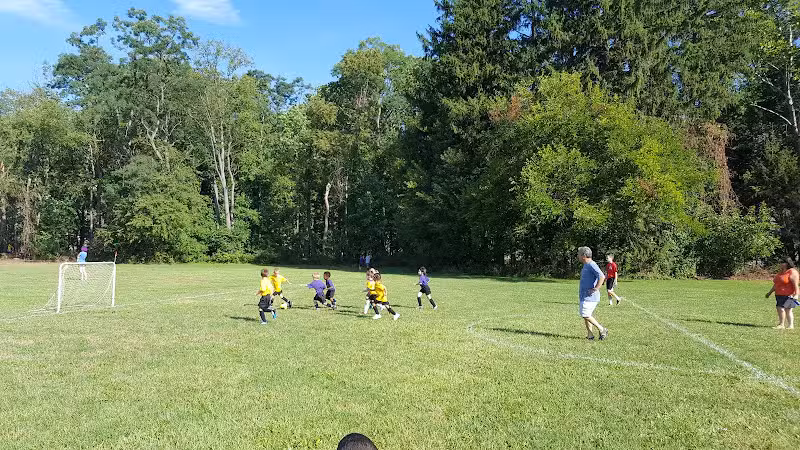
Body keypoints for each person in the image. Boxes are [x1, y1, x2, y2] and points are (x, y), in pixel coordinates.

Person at [578, 246, 609, 340]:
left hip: (590, 296)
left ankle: (602, 329)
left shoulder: (592, 264)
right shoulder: (586, 264)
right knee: (586, 315)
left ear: (584, 255)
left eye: (578, 254)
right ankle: (590, 335)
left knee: (585, 314)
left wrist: (596, 288)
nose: (577, 256)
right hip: (584, 295)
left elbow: (602, 276)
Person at [765, 257, 799, 330]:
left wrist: (796, 295)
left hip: (788, 295)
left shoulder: (792, 272)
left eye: (782, 263)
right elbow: (776, 284)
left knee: (784, 309)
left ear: (787, 263)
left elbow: (795, 284)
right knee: (782, 308)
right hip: (779, 295)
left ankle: (785, 325)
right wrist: (769, 293)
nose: (780, 264)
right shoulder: (780, 272)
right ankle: (785, 325)